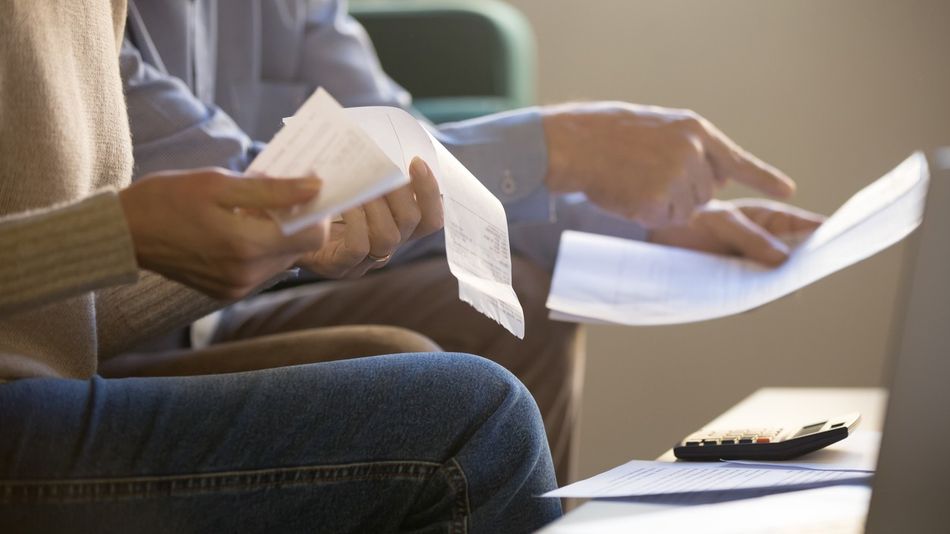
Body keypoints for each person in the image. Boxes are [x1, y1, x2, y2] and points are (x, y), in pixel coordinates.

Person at [113, 0, 825, 484]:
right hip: (112, 335)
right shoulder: (80, 23)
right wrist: (561, 145)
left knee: (517, 304)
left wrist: (643, 220)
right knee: (428, 382)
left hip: (219, 317)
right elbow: (230, 204)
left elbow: (400, 163)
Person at [0, 1, 560, 531]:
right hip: (32, 410)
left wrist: (285, 247)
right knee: (474, 419)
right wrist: (118, 236)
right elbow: (116, 239)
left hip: (56, 390)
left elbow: (64, 317)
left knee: (462, 364)